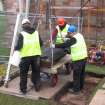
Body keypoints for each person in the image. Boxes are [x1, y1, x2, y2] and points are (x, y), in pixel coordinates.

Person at [54, 24, 88, 93]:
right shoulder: (80, 35)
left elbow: (65, 45)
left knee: (76, 75)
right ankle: (81, 87)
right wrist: (67, 38)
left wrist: (54, 45)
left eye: (69, 33)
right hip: (84, 58)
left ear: (73, 32)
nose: (68, 34)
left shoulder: (73, 39)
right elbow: (72, 40)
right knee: (81, 74)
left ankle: (76, 90)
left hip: (78, 59)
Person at [15, 18, 43, 94]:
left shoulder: (22, 34)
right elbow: (41, 44)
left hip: (25, 57)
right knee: (36, 72)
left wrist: (15, 48)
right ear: (29, 24)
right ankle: (37, 87)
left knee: (23, 73)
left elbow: (19, 46)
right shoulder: (36, 33)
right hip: (36, 56)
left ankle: (23, 90)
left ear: (23, 26)